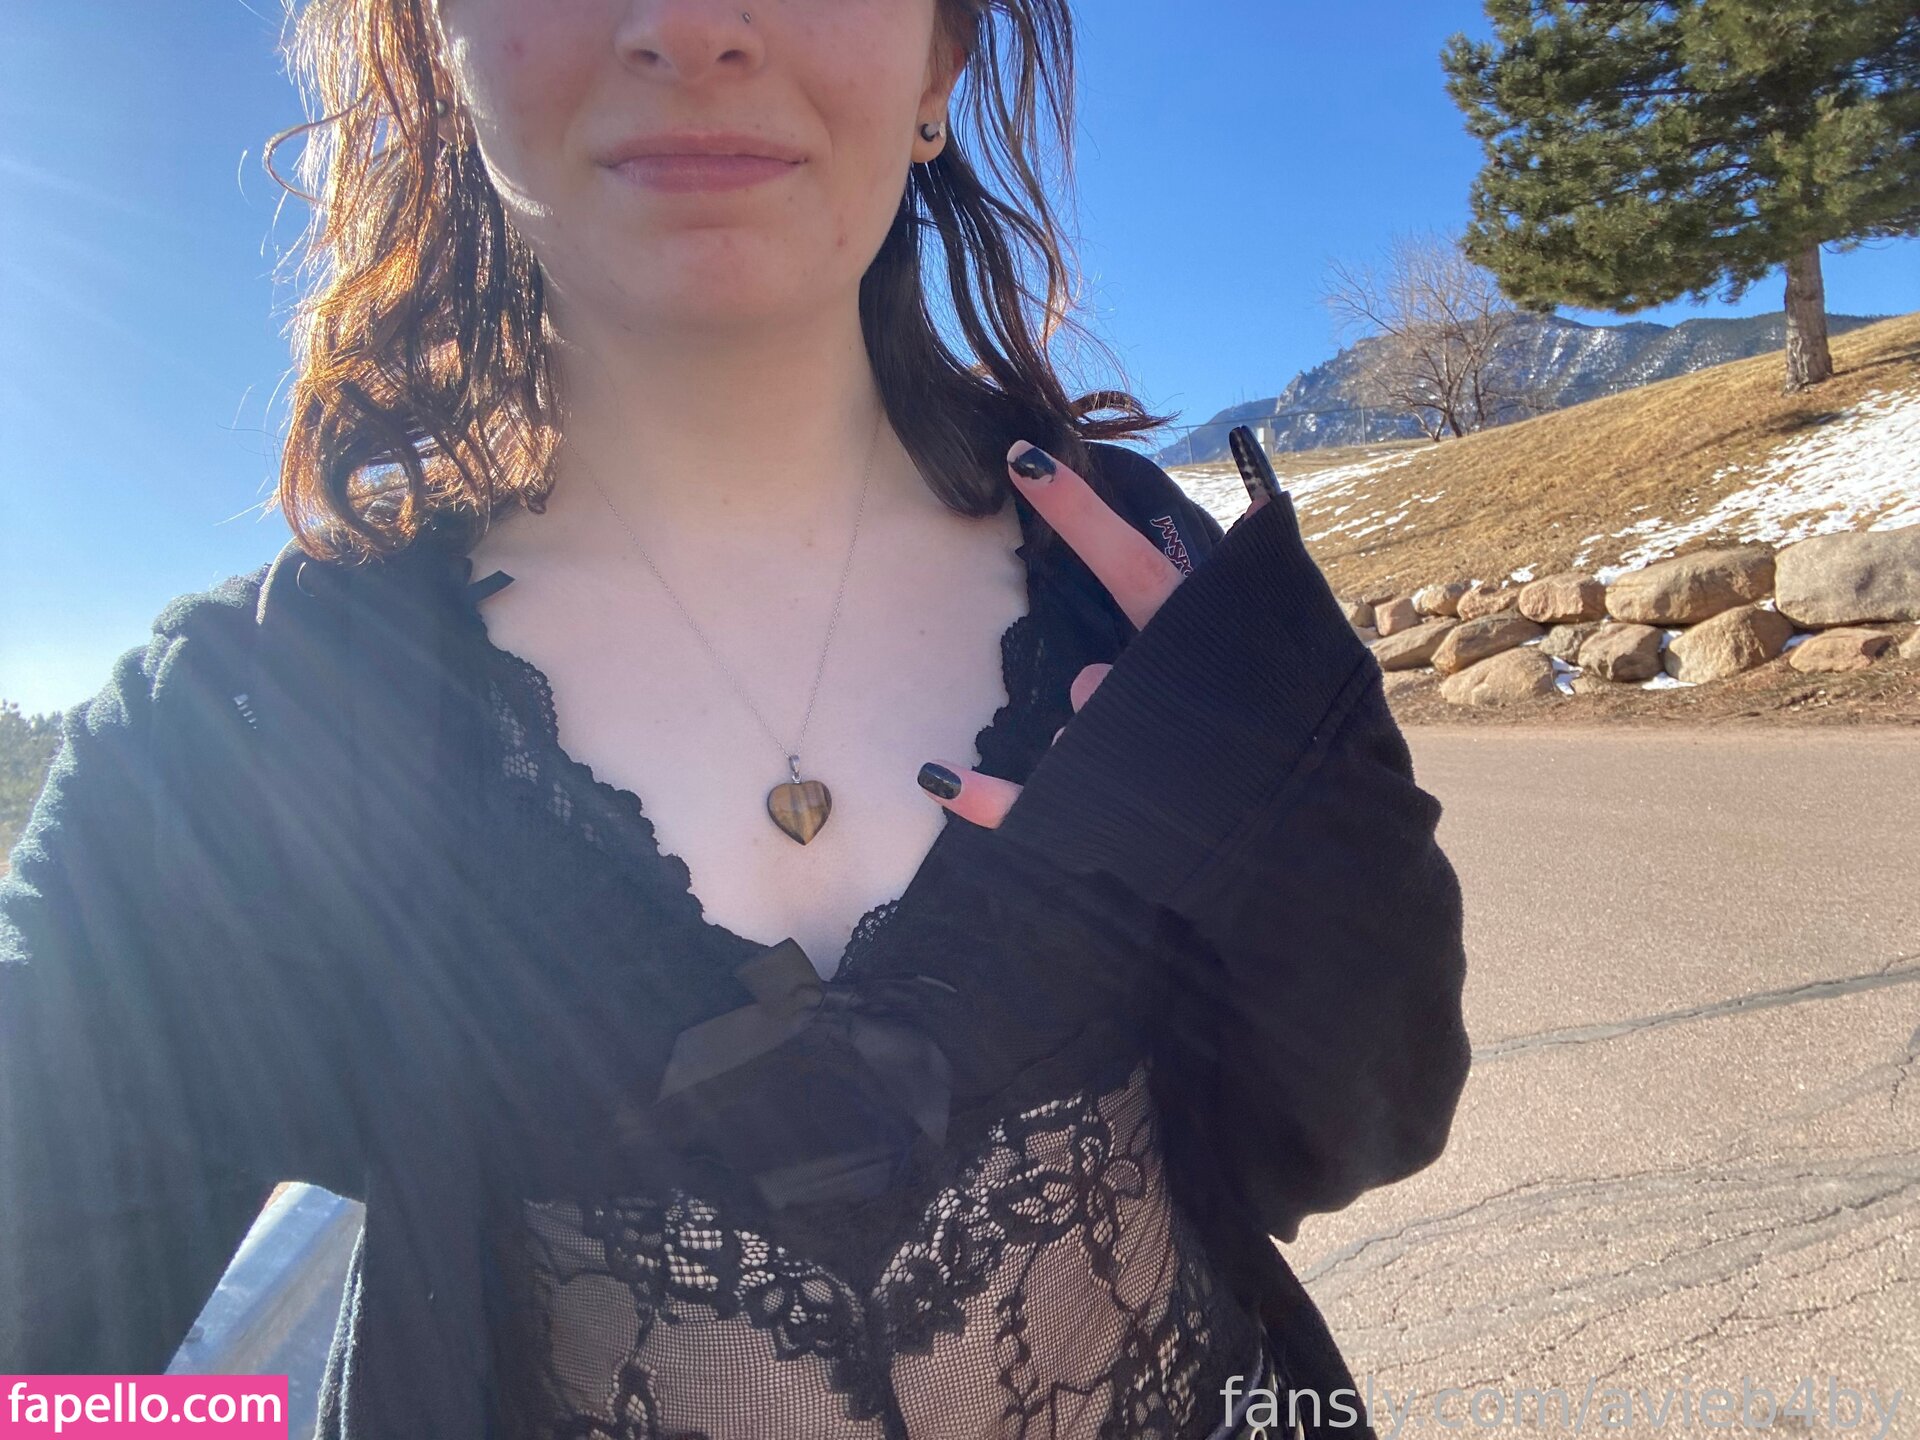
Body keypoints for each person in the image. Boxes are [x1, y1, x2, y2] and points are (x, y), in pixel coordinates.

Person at [0, 2, 1472, 1437]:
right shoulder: (247, 728)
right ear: (438, 43)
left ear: (939, 61)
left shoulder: (1139, 580)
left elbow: (1369, 1122)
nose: (693, 25)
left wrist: (1284, 811)